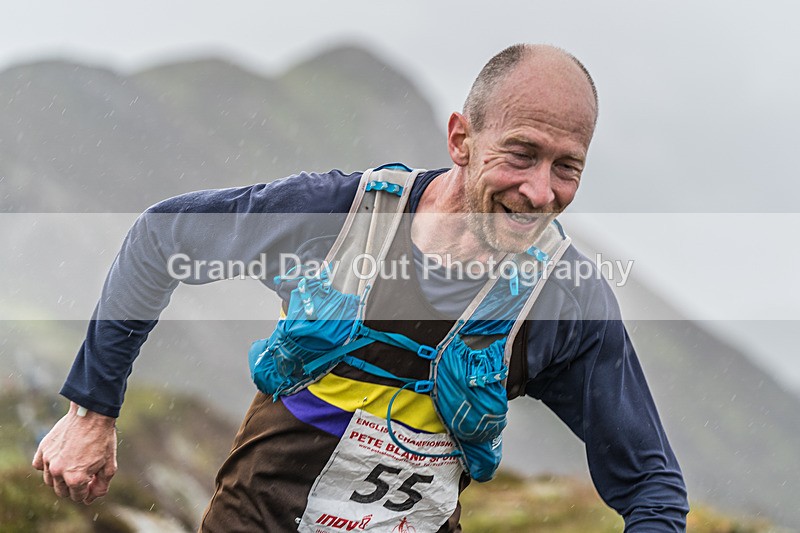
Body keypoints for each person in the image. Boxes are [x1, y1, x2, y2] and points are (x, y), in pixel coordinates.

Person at [33, 44, 689, 531]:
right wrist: (92, 413)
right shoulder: (339, 217)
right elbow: (162, 237)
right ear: (461, 138)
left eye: (566, 167)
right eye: (521, 154)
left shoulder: (562, 300)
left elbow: (653, 486)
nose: (541, 191)